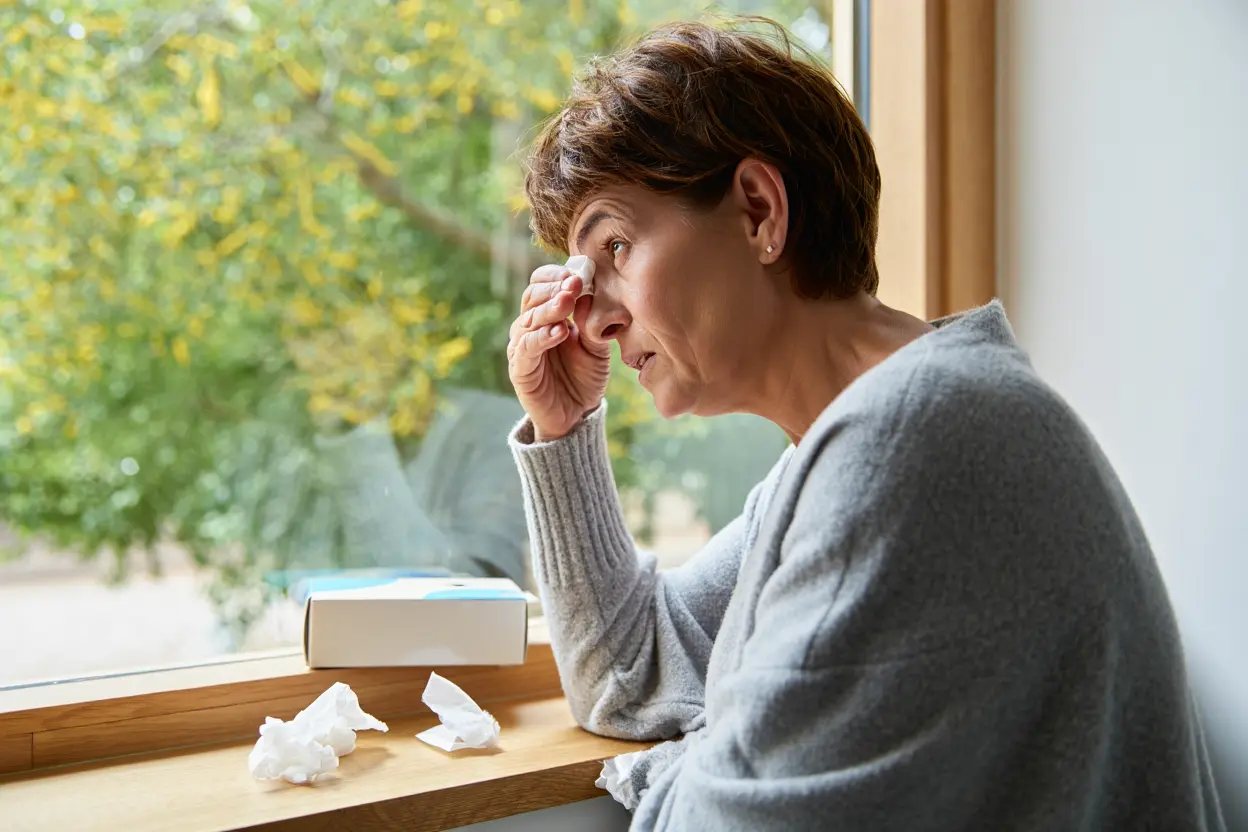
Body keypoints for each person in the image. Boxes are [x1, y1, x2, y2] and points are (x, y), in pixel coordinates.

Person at [504, 18, 1224, 832]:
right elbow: (632, 674)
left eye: (618, 245)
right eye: (580, 275)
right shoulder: (873, 433)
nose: (592, 320)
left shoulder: (912, 446)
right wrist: (563, 431)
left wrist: (694, 759)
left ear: (758, 210)